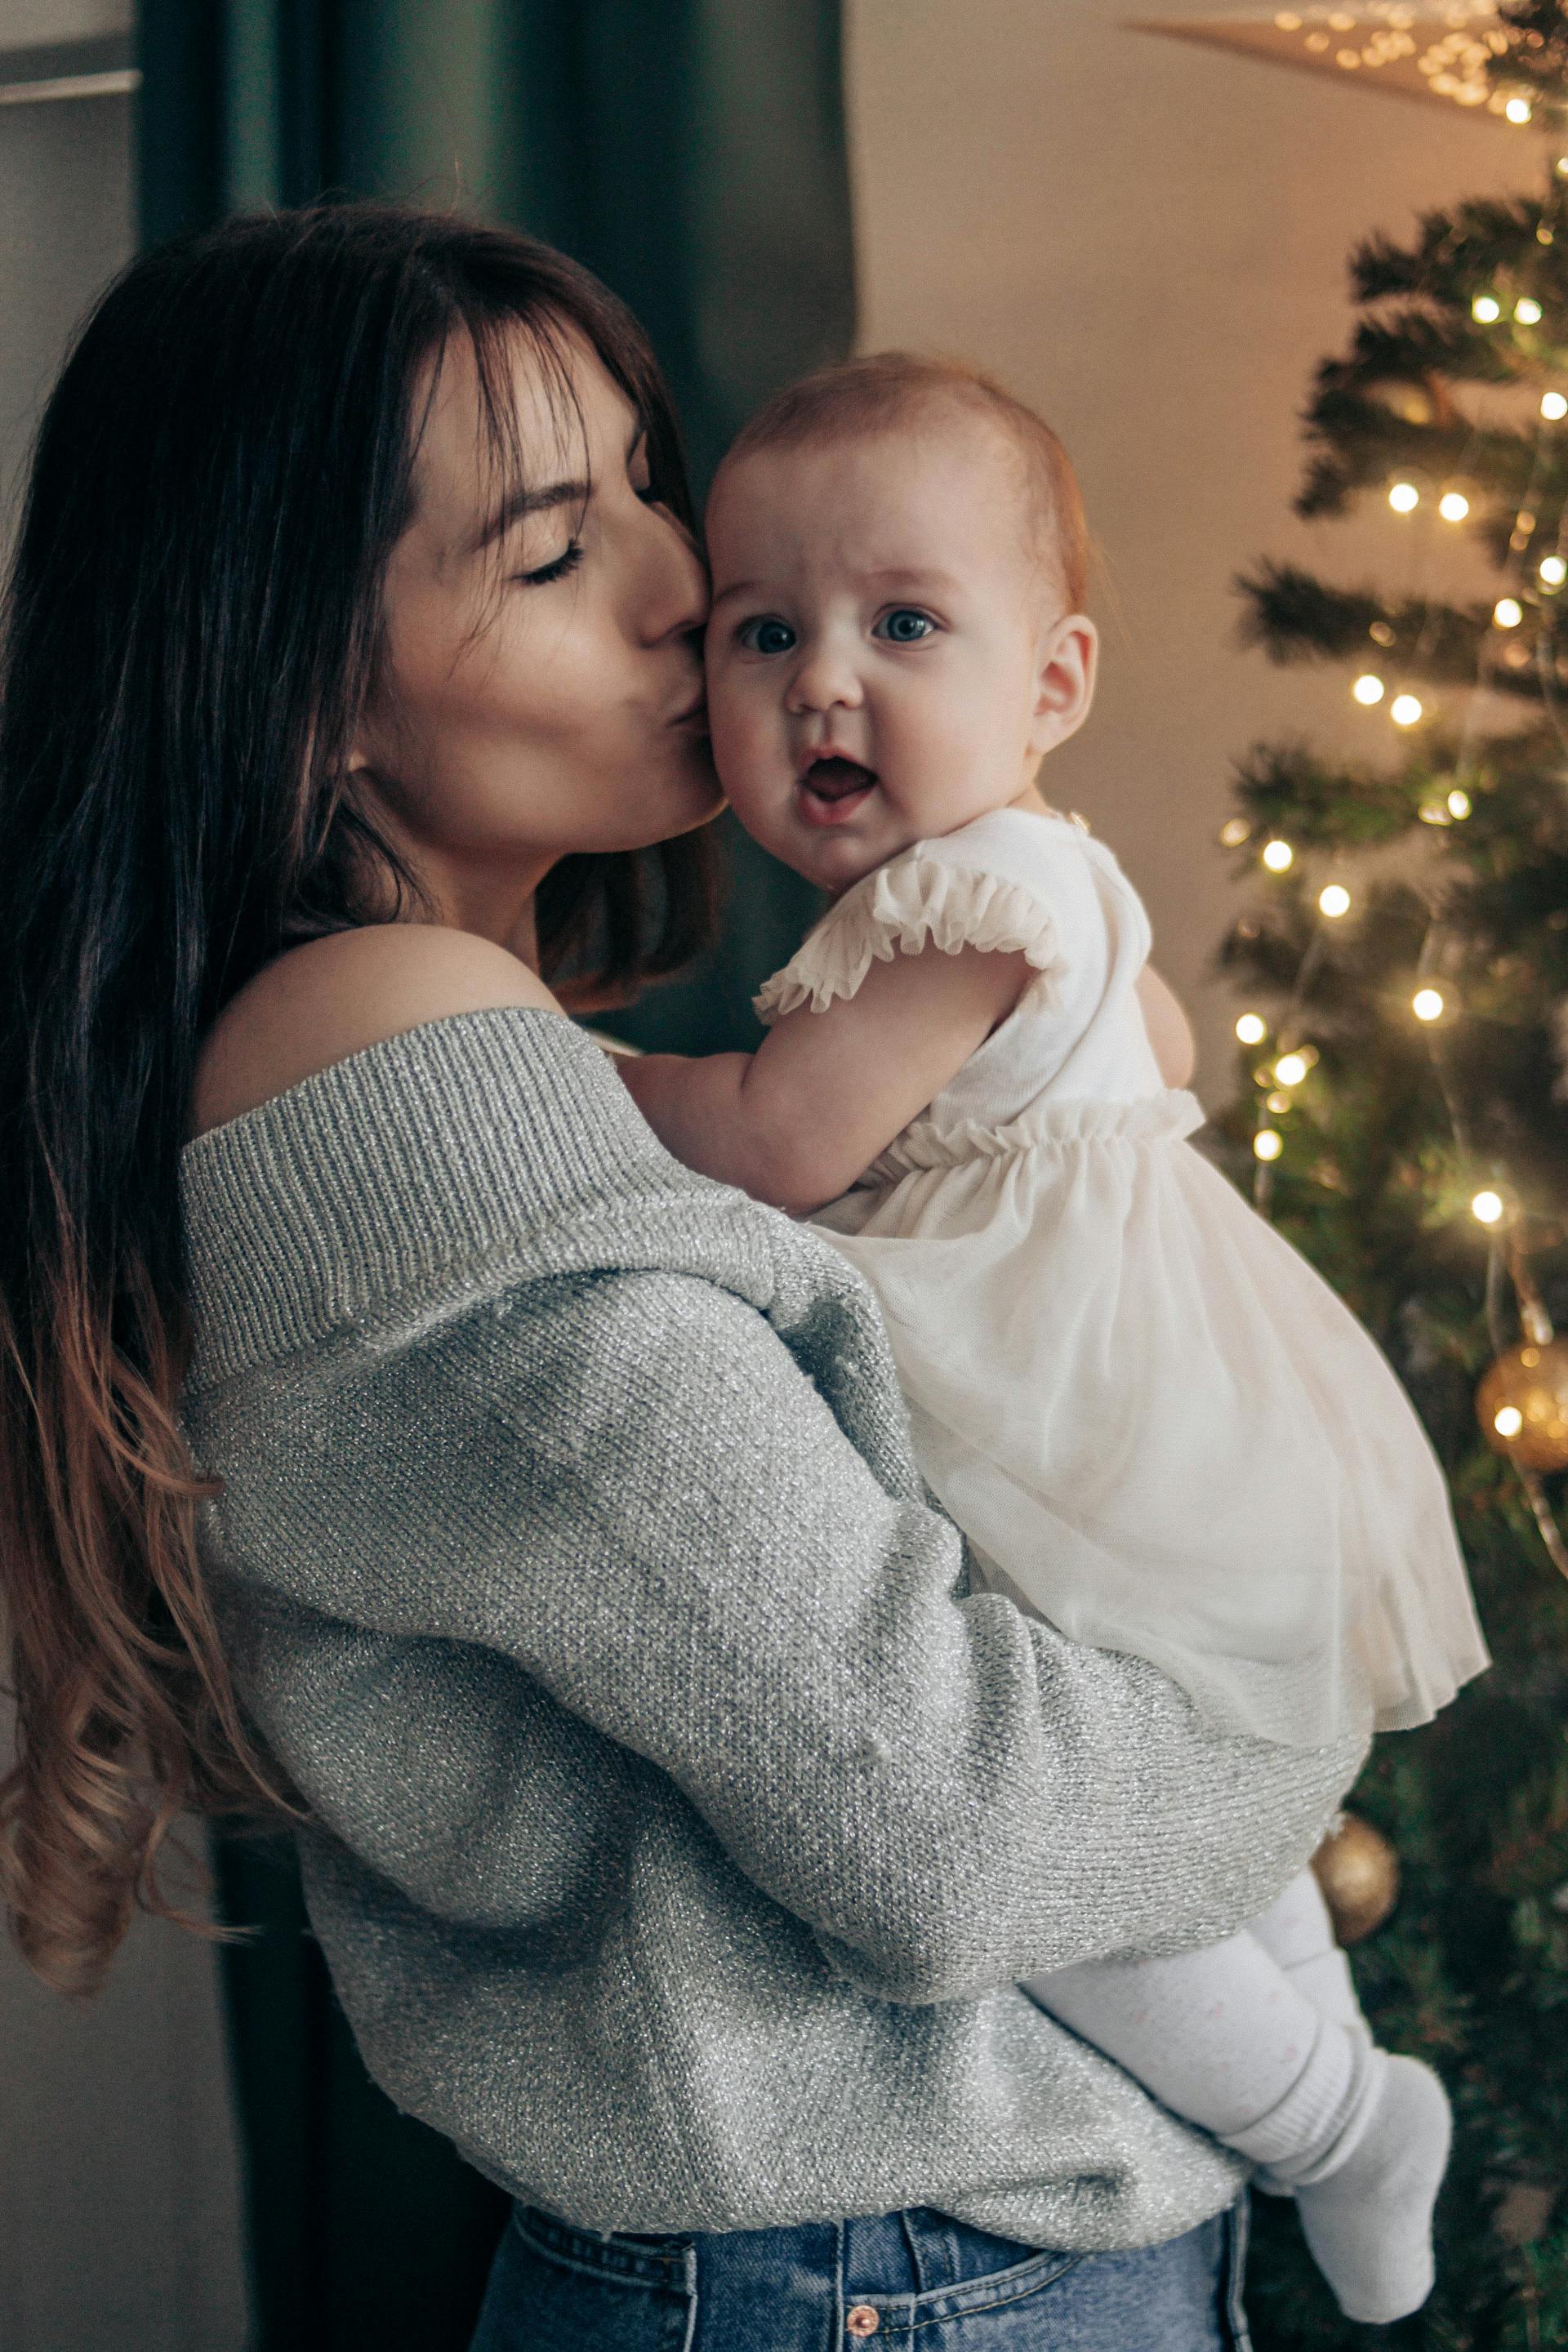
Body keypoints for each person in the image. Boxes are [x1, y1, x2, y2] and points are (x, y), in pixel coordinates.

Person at [0, 208, 1365, 2352]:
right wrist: (1310, 1665)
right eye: (552, 555)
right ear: (303, 697)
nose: (683, 586)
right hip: (879, 2281)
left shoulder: (477, 1071)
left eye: (648, 479)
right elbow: (943, 1816)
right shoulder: (399, 1070)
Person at [621, 353, 1492, 2327]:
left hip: (1069, 1433)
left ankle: (1340, 2122)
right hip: (1141, 1421)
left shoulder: (963, 906)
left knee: (1067, 1892)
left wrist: (552, 1065)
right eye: (765, 630)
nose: (822, 680)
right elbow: (1165, 1058)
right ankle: (1352, 2096)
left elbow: (776, 1142)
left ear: (1055, 683)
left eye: (902, 623)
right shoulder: (1054, 880)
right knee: (1218, 1813)